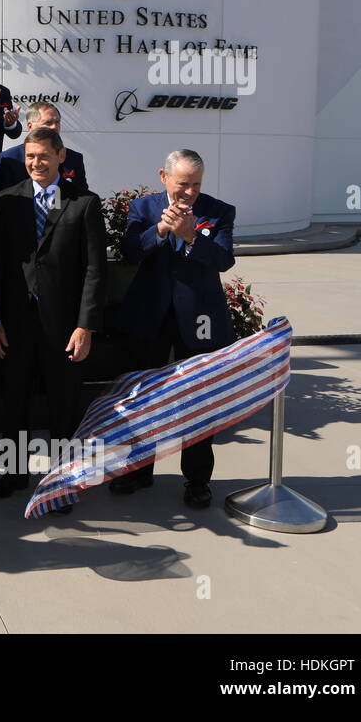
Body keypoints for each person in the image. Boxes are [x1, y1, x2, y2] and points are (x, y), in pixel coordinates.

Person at [110, 150, 236, 508]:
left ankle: (197, 480)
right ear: (163, 177)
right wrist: (162, 230)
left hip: (199, 320)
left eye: (196, 185)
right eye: (183, 184)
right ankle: (137, 471)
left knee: (197, 400)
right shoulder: (144, 208)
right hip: (149, 317)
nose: (189, 193)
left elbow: (225, 260)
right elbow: (130, 252)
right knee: (142, 397)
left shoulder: (220, 210)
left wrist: (193, 237)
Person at [0, 127, 105, 507]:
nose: (35, 163)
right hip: (17, 324)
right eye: (29, 156)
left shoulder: (84, 203)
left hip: (64, 327)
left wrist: (85, 325)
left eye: (43, 156)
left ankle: (62, 481)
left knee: (62, 407)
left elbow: (94, 270)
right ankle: (13, 474)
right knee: (14, 402)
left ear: (60, 156)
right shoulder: (7, 201)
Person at [0, 101, 88, 193]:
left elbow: (82, 197)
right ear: (30, 126)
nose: (54, 127)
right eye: (48, 123)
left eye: (57, 122)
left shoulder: (74, 158)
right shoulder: (9, 159)